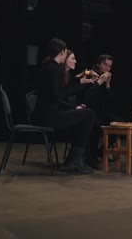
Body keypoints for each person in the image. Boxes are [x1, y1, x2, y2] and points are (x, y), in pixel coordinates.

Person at [33, 38, 97, 174]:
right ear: (62, 52)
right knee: (89, 114)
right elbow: (59, 96)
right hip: (49, 117)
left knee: (84, 117)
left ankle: (74, 159)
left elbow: (57, 95)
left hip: (47, 114)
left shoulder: (50, 67)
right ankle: (75, 159)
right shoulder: (53, 69)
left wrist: (78, 83)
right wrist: (78, 85)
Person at [60, 49, 101, 168]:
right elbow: (62, 96)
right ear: (64, 59)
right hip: (57, 114)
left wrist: (81, 80)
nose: (75, 61)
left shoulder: (66, 75)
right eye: (72, 58)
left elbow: (68, 90)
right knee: (89, 116)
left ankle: (80, 157)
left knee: (91, 118)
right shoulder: (60, 75)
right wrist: (74, 107)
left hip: (63, 110)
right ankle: (80, 158)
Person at [80, 54, 124, 158]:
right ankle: (92, 156)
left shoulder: (105, 79)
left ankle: (101, 152)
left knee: (119, 124)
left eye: (109, 66)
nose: (107, 68)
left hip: (101, 112)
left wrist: (108, 85)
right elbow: (87, 97)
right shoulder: (90, 75)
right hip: (88, 112)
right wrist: (100, 82)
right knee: (96, 124)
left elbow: (110, 104)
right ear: (98, 64)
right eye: (105, 65)